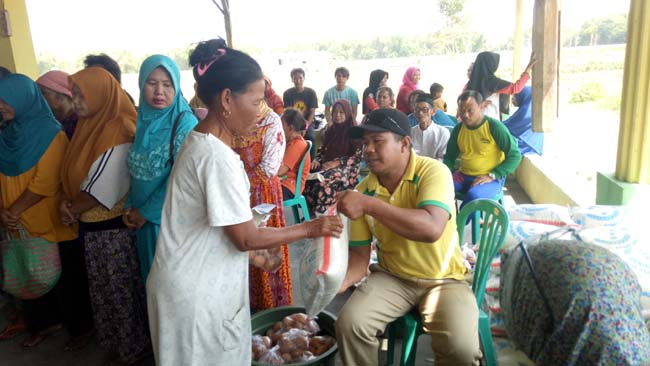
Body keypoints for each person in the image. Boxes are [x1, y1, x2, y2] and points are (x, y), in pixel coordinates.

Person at [146, 38, 343, 366]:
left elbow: (212, 228)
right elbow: (245, 237)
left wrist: (254, 258)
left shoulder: (200, 143)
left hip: (186, 284)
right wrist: (312, 227)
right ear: (226, 99)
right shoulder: (215, 157)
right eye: (255, 102)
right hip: (195, 297)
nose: (262, 113)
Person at [335, 108, 481, 366]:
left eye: (377, 141)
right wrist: (337, 283)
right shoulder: (364, 190)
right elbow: (359, 258)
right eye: (365, 142)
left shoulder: (433, 172)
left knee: (461, 349)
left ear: (404, 143)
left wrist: (370, 206)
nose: (368, 149)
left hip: (444, 280)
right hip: (393, 278)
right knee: (350, 324)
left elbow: (431, 228)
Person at [61, 67, 149, 365]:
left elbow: (104, 188)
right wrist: (66, 200)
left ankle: (132, 350)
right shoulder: (91, 126)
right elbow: (73, 173)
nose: (75, 101)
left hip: (114, 229)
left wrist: (71, 208)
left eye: (79, 94)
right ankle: (118, 344)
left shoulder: (118, 128)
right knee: (106, 292)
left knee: (121, 292)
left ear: (100, 94)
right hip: (92, 226)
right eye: (72, 94)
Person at [0, 74, 77, 348]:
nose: (0, 106)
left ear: (22, 99)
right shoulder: (7, 133)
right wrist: (4, 210)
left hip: (44, 217)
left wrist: (14, 209)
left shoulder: (51, 133)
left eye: (4, 100)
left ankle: (75, 330)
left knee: (57, 276)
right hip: (14, 219)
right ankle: (42, 325)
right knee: (26, 272)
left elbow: (45, 181)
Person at [124, 55, 198, 282]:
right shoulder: (143, 119)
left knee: (171, 287)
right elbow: (138, 172)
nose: (159, 92)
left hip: (169, 223)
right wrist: (130, 206)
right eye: (151, 83)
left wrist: (144, 213)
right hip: (143, 223)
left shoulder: (184, 123)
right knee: (153, 286)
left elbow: (182, 178)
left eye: (167, 85)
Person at [232, 100, 291, 311]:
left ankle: (271, 310)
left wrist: (234, 181)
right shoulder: (233, 117)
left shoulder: (271, 120)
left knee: (265, 251)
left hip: (262, 195)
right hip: (237, 195)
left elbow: (269, 167)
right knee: (240, 251)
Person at [444, 90, 522, 210]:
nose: (465, 115)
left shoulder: (494, 127)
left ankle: (460, 223)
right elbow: (449, 156)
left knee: (474, 195)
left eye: (470, 110)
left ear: (481, 106)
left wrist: (493, 175)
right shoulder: (458, 129)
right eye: (462, 110)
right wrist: (447, 174)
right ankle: (452, 221)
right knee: (442, 189)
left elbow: (515, 155)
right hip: (463, 175)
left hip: (490, 178)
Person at [305, 99, 362, 215]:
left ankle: (324, 216)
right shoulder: (330, 130)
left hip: (347, 169)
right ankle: (311, 214)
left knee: (325, 184)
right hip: (327, 166)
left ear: (347, 113)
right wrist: (317, 160)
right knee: (307, 179)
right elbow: (322, 150)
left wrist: (336, 163)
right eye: (335, 112)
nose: (337, 115)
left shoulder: (354, 131)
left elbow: (358, 157)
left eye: (341, 112)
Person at [467, 51, 536, 120]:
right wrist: (528, 69)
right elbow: (515, 88)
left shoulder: (471, 83)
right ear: (490, 64)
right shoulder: (491, 81)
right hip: (489, 119)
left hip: (473, 120)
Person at [283, 68, 318, 159]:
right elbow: (289, 113)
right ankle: (292, 161)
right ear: (292, 79)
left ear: (304, 78)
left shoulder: (311, 93)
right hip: (294, 123)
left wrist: (305, 127)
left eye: (300, 78)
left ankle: (311, 161)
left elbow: (312, 112)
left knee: (310, 137)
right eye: (295, 78)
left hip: (307, 121)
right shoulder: (287, 94)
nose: (298, 81)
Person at [279, 108, 310, 200]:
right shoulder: (292, 142)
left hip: (289, 186)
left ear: (290, 128)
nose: (279, 128)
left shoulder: (297, 145)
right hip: (286, 181)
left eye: (281, 125)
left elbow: (280, 171)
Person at [36, 70, 78, 139]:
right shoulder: (55, 122)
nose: (38, 99)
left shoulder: (77, 123)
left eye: (43, 93)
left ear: (60, 97)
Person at [503, 86, 543, 156]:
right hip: (532, 144)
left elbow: (507, 126)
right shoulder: (530, 107)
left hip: (526, 145)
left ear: (523, 95)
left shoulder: (526, 111)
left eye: (515, 96)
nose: (512, 98)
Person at [411, 94, 450, 161]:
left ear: (433, 111)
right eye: (417, 109)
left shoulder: (443, 133)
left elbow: (442, 158)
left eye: (425, 109)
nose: (420, 113)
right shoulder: (411, 132)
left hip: (434, 169)